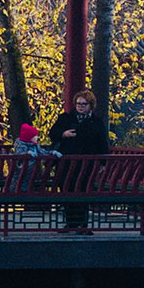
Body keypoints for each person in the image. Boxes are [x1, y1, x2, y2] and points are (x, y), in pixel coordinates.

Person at [46, 89, 108, 232]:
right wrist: (63, 134)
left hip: (86, 164)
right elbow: (52, 134)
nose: (80, 106)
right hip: (66, 163)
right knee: (67, 191)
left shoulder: (96, 122)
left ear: (90, 105)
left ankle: (82, 224)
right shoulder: (66, 118)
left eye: (83, 104)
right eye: (78, 103)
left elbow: (102, 142)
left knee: (83, 192)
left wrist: (103, 163)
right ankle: (71, 223)